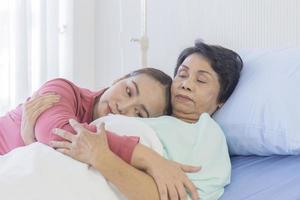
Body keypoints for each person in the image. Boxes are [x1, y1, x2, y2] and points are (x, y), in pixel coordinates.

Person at [23, 41, 243, 200]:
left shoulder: (207, 137)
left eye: (201, 80)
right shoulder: (156, 116)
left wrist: (102, 157)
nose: (186, 84)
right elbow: (61, 136)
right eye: (182, 75)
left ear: (221, 100)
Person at [0, 68, 173, 164]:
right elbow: (56, 134)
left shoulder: (110, 138)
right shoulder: (62, 90)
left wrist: (30, 143)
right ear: (119, 79)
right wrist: (144, 156)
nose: (124, 107)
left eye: (139, 113)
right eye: (128, 91)